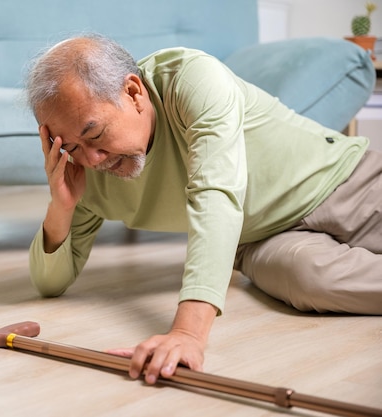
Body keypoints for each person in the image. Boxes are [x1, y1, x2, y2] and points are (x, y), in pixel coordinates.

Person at [24, 34, 382, 385]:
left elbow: (216, 195)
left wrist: (188, 333)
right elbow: (50, 283)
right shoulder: (87, 170)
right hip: (264, 240)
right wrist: (62, 205)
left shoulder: (190, 79)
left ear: (133, 93)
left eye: (96, 134)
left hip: (347, 182)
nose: (92, 158)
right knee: (311, 280)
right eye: (71, 146)